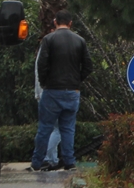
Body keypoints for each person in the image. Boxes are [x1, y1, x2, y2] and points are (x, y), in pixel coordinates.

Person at [30, 10, 93, 172]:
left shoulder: (48, 40)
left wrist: (45, 83)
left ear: (55, 22)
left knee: (45, 128)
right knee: (68, 128)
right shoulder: (80, 41)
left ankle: (37, 162)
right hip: (72, 91)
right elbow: (88, 66)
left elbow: (41, 65)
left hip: (52, 90)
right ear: (71, 23)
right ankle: (69, 162)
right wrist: (77, 81)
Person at [34, 50, 61, 169]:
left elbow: (37, 73)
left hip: (42, 94)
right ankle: (47, 158)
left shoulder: (42, 51)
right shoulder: (50, 51)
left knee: (48, 129)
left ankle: (53, 159)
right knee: (58, 129)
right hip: (51, 94)